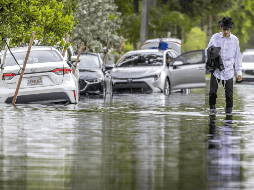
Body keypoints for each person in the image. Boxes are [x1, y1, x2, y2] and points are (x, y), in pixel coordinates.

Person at [206, 17, 242, 114]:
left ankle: (229, 111)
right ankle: (212, 110)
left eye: (227, 29)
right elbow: (207, 51)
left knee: (229, 95)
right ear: (221, 28)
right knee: (212, 92)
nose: (225, 31)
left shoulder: (235, 40)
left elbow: (238, 56)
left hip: (229, 70)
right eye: (223, 29)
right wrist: (215, 51)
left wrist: (239, 72)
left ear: (230, 29)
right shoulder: (215, 37)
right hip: (216, 69)